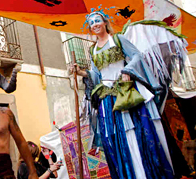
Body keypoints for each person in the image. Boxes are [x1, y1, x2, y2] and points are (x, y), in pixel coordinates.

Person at [73, 11, 174, 179]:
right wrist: (81, 72)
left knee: (134, 132)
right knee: (112, 137)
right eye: (92, 23)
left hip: (124, 91)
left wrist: (128, 70)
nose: (95, 24)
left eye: (97, 20)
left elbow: (136, 56)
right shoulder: (92, 50)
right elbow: (97, 75)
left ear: (105, 22)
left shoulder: (118, 39)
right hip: (107, 97)